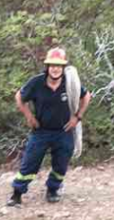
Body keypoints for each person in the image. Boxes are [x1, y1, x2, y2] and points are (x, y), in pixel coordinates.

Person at [7, 47, 91, 207]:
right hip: (41, 131)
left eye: (58, 65)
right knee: (30, 162)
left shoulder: (70, 83)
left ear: (63, 67)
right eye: (52, 65)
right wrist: (29, 116)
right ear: (47, 66)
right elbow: (19, 96)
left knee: (61, 163)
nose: (55, 68)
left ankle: (52, 189)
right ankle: (17, 194)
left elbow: (86, 96)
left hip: (64, 131)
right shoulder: (37, 82)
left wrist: (77, 117)